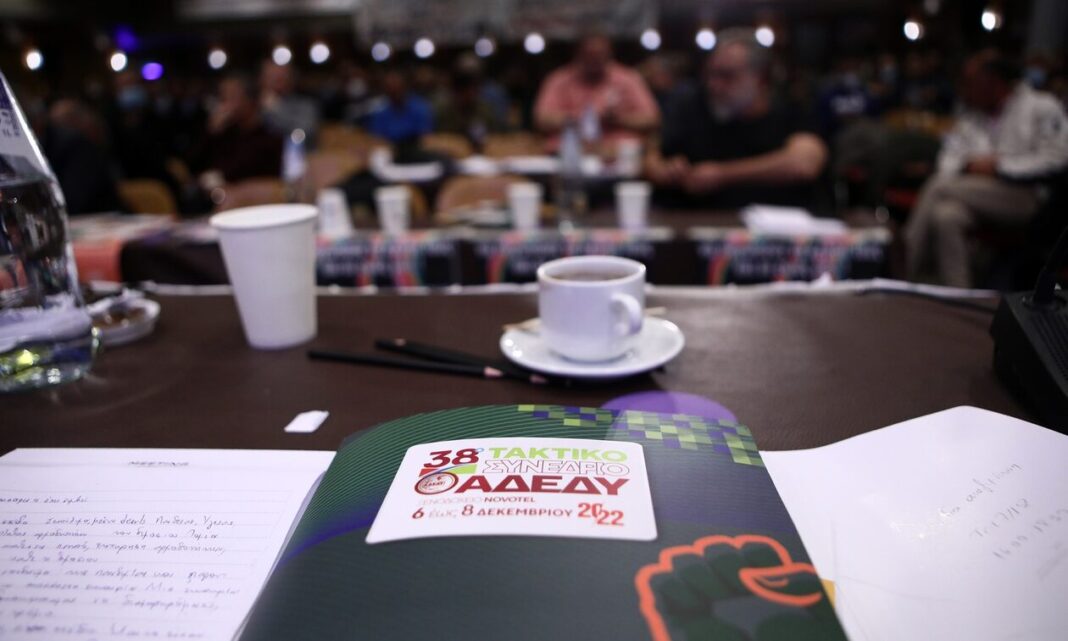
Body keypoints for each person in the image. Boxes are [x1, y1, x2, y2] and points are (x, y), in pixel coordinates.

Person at [904, 50, 1068, 288]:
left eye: (971, 82)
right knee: (946, 215)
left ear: (993, 82)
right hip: (978, 192)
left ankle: (902, 267)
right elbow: (947, 159)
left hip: (1026, 197)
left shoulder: (1041, 106)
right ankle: (958, 295)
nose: (965, 89)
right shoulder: (972, 113)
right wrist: (970, 165)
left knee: (938, 186)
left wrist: (999, 166)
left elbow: (1056, 159)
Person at [647, 28, 828, 210]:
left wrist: (722, 174)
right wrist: (665, 170)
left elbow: (804, 164)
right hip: (696, 219)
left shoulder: (791, 110)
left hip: (778, 220)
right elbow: (652, 157)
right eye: (710, 74)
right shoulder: (692, 106)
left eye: (727, 76)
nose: (714, 85)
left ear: (761, 79)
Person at [533, 32, 659, 149]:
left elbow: (651, 119)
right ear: (578, 54)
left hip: (619, 153)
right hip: (567, 153)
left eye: (600, 54)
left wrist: (617, 119)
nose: (595, 59)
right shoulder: (559, 80)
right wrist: (579, 119)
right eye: (590, 54)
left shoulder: (628, 79)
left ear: (609, 54)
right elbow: (542, 120)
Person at [188, 74, 282, 187]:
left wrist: (221, 177)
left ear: (250, 100)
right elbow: (192, 165)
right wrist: (211, 132)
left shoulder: (269, 136)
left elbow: (248, 171)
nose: (224, 104)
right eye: (222, 97)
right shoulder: (223, 132)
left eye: (232, 96)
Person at [365, 70, 433, 148]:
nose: (394, 91)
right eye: (390, 89)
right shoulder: (380, 110)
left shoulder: (420, 107)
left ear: (405, 87)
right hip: (388, 148)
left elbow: (425, 137)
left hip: (416, 149)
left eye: (398, 88)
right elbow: (376, 137)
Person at [260, 62, 320, 145]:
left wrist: (277, 110)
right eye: (270, 77)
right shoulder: (253, 105)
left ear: (291, 80)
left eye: (280, 78)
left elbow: (305, 134)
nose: (275, 82)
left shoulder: (305, 105)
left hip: (294, 151)